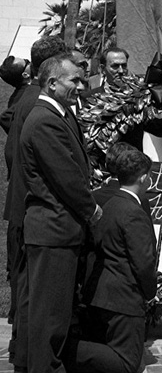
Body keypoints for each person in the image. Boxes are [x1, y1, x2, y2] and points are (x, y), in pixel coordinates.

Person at [18, 53, 103, 372]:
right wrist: (92, 210)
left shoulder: (59, 114)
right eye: (74, 81)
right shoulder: (45, 120)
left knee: (53, 315)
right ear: (52, 83)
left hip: (60, 231)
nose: (81, 86)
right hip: (54, 230)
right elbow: (66, 177)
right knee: (50, 319)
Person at [3, 36, 68, 371]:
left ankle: (23, 355)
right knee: (32, 295)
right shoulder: (37, 104)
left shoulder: (25, 98)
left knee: (26, 293)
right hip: (32, 210)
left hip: (23, 206)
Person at [63, 149, 157, 373]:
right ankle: (63, 349)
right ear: (143, 178)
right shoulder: (133, 212)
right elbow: (143, 263)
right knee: (128, 364)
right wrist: (150, 293)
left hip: (100, 295)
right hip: (123, 299)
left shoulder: (110, 205)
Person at [84, 47, 162, 151]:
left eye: (124, 66)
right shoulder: (89, 97)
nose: (121, 71)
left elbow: (159, 129)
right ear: (102, 69)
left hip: (132, 161)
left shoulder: (139, 95)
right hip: (102, 163)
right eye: (115, 66)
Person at [0, 56, 31, 133]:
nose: (30, 62)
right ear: (25, 75)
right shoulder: (34, 93)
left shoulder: (13, 101)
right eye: (27, 62)